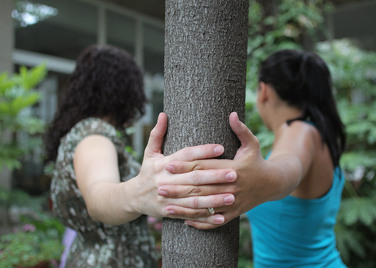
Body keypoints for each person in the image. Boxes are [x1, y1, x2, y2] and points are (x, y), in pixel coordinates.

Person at [44, 45, 237, 267]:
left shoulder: (81, 133)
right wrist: (138, 194)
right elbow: (98, 196)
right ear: (124, 89)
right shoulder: (93, 135)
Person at [159, 49, 347, 267]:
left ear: (264, 91)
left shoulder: (301, 131)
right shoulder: (320, 137)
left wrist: (260, 177)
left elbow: (288, 169)